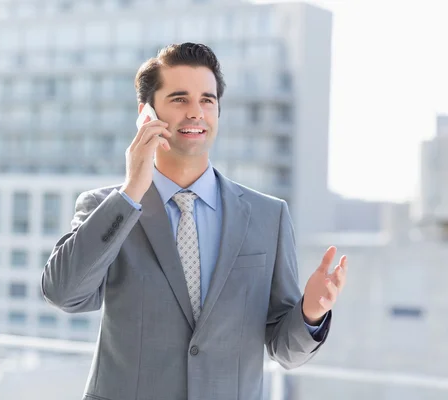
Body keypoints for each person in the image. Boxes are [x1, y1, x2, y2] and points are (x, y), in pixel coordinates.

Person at [42, 42, 348, 400]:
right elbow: (64, 294)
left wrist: (311, 313)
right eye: (179, 99)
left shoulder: (269, 216)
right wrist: (130, 193)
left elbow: (285, 349)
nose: (196, 112)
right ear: (146, 114)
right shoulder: (106, 208)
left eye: (207, 100)